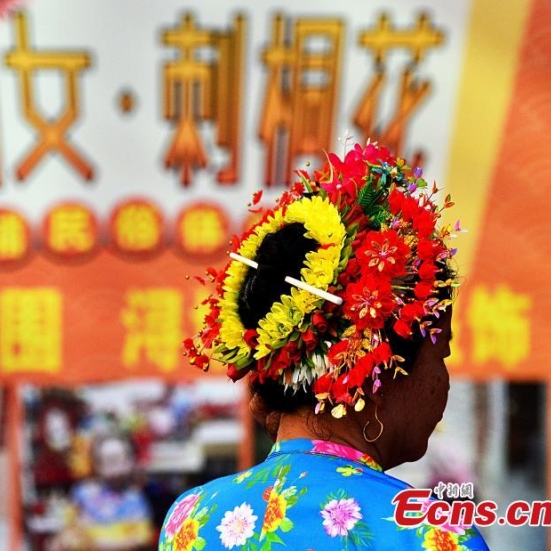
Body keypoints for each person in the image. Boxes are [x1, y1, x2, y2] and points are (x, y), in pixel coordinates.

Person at [162, 143, 490, 550]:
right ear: (378, 370)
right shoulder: (434, 534)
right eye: (442, 352)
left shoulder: (191, 519)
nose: (443, 380)